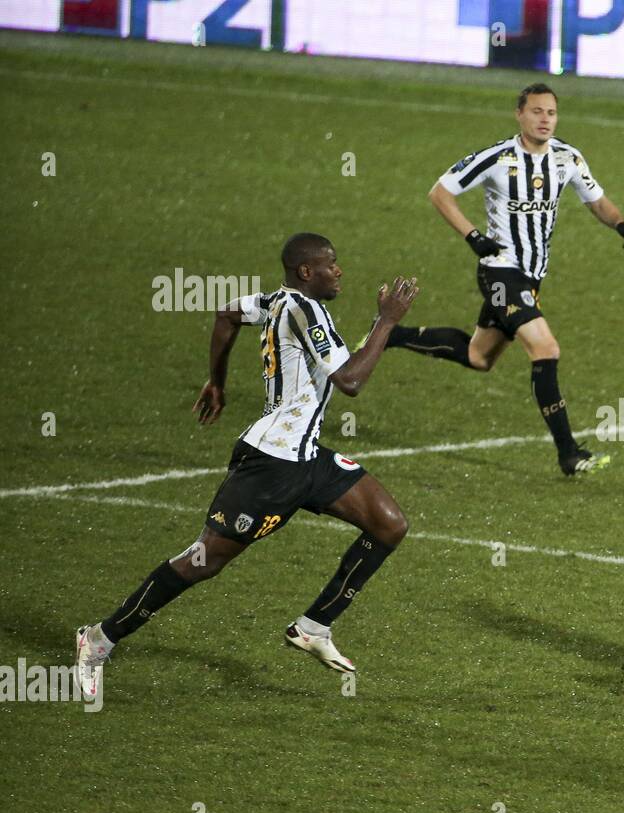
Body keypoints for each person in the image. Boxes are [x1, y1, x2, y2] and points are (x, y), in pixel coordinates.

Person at [74, 233, 420, 694]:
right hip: (271, 464)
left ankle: (314, 627)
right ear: (305, 272)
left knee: (389, 524)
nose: (339, 271)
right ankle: (99, 638)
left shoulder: (274, 301)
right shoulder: (306, 310)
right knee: (203, 561)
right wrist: (386, 320)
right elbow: (352, 380)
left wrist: (217, 382)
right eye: (330, 264)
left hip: (307, 457)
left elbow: (227, 313)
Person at [383, 82, 624, 476]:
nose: (544, 120)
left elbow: (596, 200)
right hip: (500, 273)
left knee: (478, 356)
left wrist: (621, 225)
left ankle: (390, 335)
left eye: (551, 113)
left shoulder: (567, 158)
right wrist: (473, 237)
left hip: (532, 277)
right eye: (536, 112)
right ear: (519, 114)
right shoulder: (498, 158)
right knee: (546, 349)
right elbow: (440, 193)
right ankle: (568, 452)